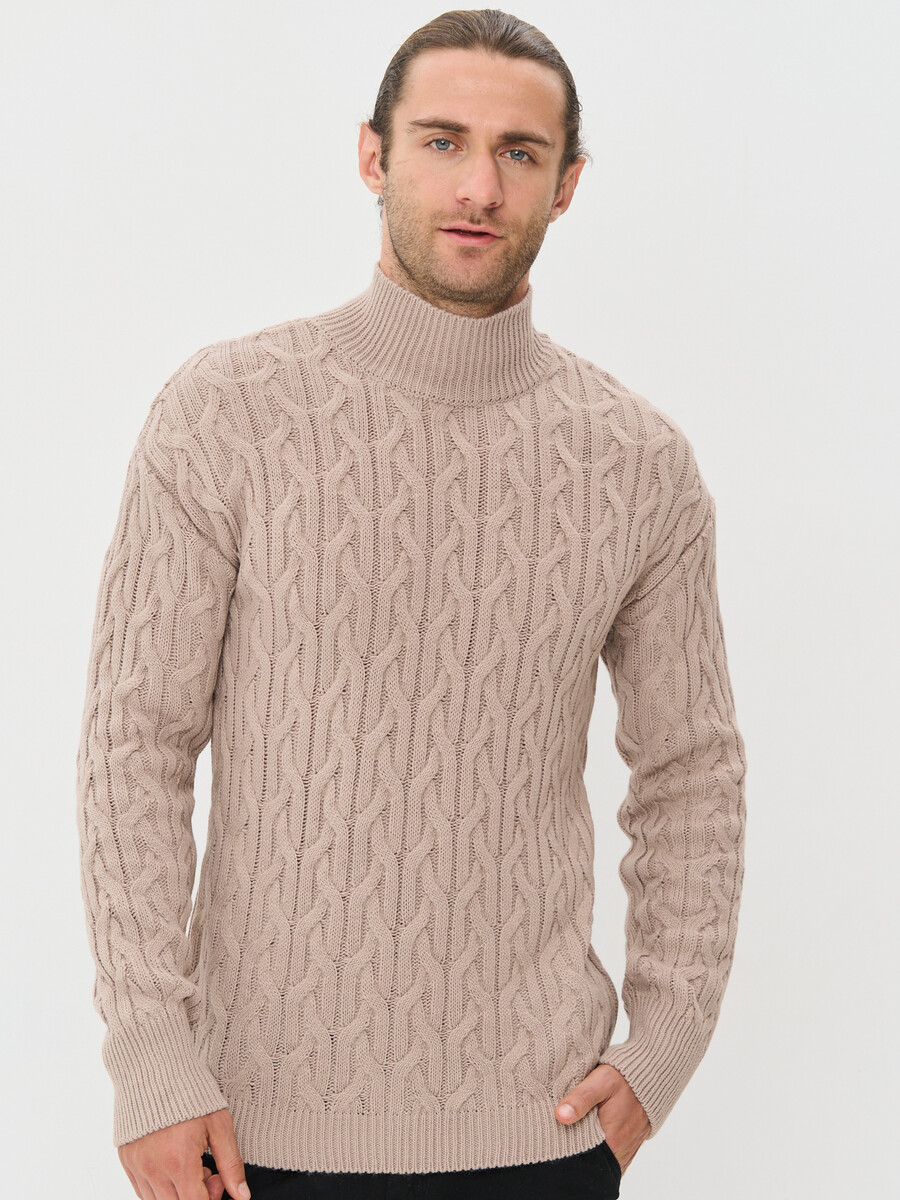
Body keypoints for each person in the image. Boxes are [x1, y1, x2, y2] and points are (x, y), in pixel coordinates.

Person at [75, 9, 747, 1200]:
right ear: (373, 155)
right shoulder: (226, 412)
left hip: (542, 1133)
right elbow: (136, 743)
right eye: (442, 141)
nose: (479, 186)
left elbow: (690, 769)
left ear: (567, 183)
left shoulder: (640, 464)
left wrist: (666, 1042)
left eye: (520, 152)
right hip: (245, 1128)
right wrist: (150, 1054)